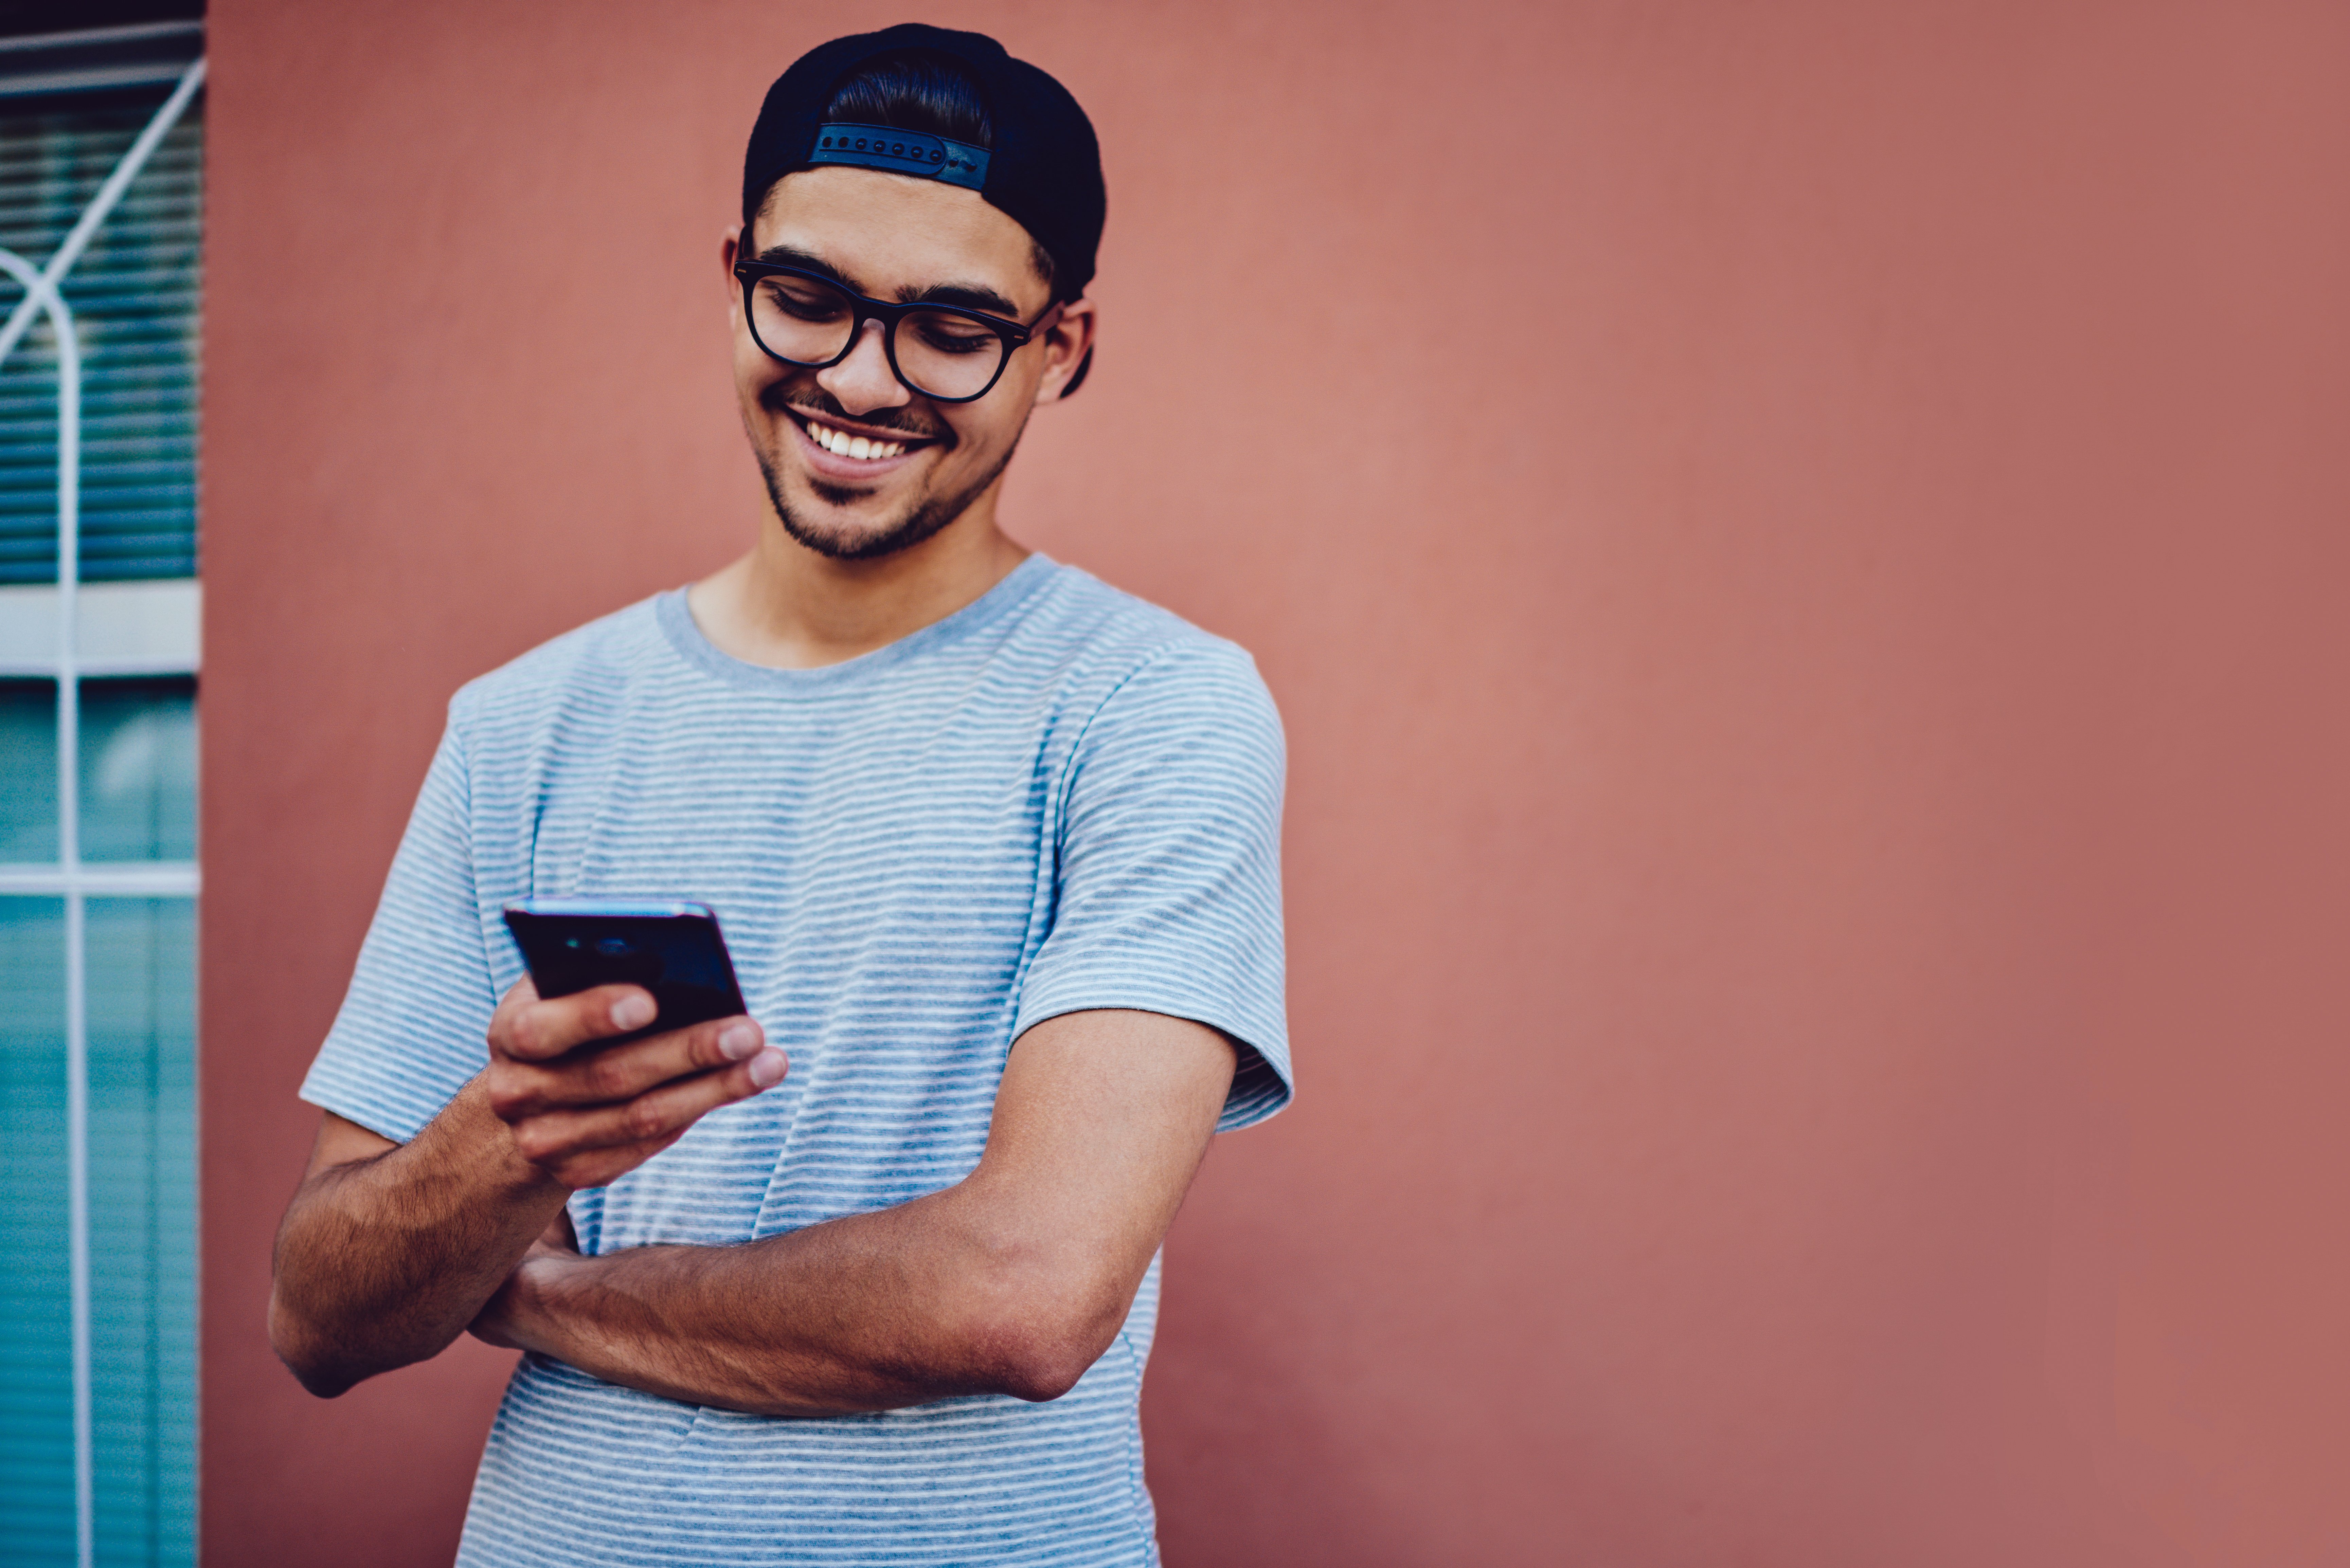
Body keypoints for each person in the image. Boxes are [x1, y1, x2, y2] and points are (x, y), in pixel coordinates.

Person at [267, 24, 1290, 1566]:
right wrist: (509, 1146)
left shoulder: (1152, 706)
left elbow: (1024, 1294)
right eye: (806, 297)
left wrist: (538, 1291)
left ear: (1060, 348)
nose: (858, 380)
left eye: (951, 327)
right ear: (737, 269)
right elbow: (319, 1314)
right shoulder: (524, 723)